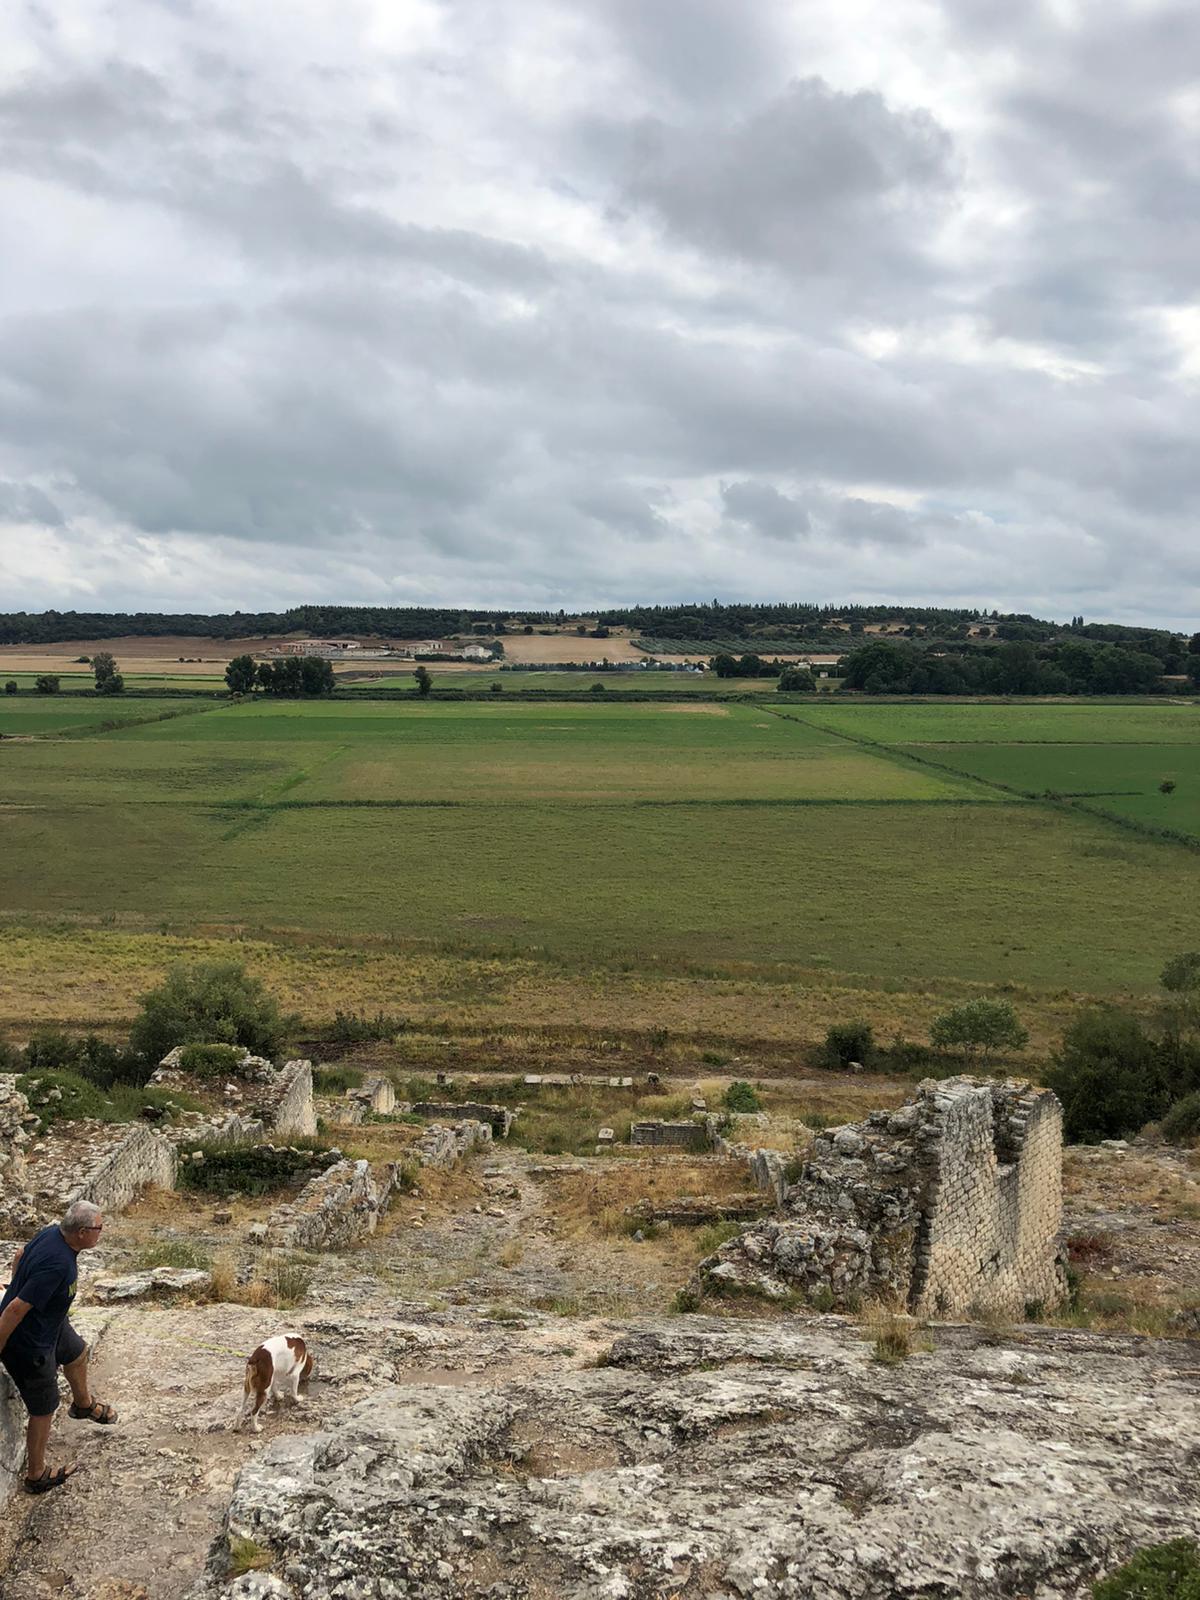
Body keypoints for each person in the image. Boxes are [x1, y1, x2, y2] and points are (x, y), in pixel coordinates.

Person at [0, 1199, 118, 1493]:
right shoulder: (59, 1265)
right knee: (44, 1407)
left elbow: (20, 1254)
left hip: (51, 1325)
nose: (101, 1232)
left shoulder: (52, 1233)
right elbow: (14, 1309)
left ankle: (83, 1405)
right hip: (30, 1344)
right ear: (81, 1232)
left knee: (77, 1352)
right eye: (99, 1228)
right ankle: (36, 1475)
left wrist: (20, 1285)